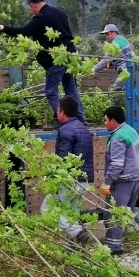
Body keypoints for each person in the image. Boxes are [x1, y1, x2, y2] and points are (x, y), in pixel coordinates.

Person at [0, 0, 85, 126]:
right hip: (70, 55)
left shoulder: (41, 18)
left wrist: (2, 28)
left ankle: (62, 119)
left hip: (56, 59)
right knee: (70, 88)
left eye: (31, 8)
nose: (31, 11)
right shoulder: (59, 13)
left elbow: (24, 31)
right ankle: (80, 119)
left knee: (51, 90)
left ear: (33, 5)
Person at [100, 105, 139, 255]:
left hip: (123, 182)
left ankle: (114, 248)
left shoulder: (118, 137)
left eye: (106, 120)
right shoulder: (130, 131)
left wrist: (107, 182)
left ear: (113, 121)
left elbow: (117, 165)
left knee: (114, 213)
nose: (104, 123)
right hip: (136, 179)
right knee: (130, 209)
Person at [41, 95, 98, 247]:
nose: (56, 113)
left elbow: (62, 158)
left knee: (47, 209)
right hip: (84, 182)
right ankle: (72, 246)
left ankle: (78, 234)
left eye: (57, 110)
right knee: (70, 214)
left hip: (69, 182)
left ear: (62, 112)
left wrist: (51, 177)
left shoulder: (65, 130)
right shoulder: (84, 129)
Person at [92, 23, 133, 91]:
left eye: (107, 34)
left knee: (116, 92)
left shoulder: (114, 44)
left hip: (124, 71)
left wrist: (93, 70)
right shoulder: (123, 40)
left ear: (114, 33)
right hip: (132, 69)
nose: (106, 36)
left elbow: (105, 61)